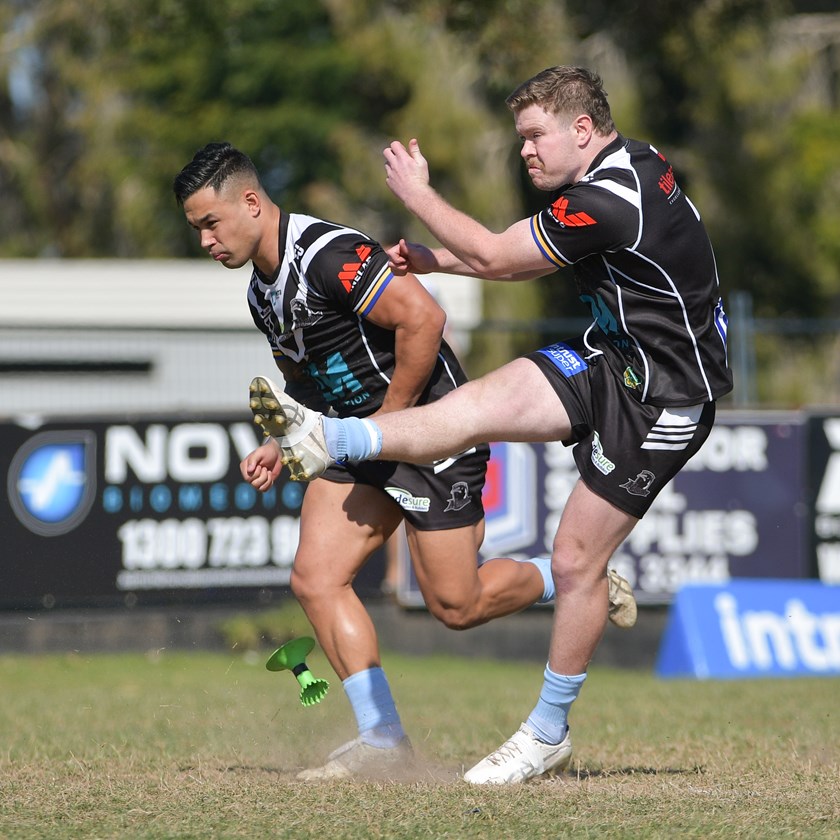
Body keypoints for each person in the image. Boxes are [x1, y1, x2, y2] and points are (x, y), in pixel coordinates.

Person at [246, 65, 733, 785]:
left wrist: (417, 197)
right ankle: (331, 438)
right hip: (610, 357)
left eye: (535, 136)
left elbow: (502, 254)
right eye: (520, 138)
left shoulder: (609, 199)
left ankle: (548, 734)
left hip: (664, 398)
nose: (525, 151)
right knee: (474, 410)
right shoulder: (624, 163)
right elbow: (518, 264)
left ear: (581, 128)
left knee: (573, 562)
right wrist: (438, 259)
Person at [172, 141, 637, 782]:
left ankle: (576, 582)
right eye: (197, 229)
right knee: (314, 577)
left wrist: (389, 427)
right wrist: (284, 444)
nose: (205, 241)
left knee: (456, 605)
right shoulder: (261, 292)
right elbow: (309, 381)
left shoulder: (328, 255)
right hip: (359, 439)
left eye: (209, 224)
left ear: (251, 203)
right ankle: (383, 737)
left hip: (433, 432)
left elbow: (424, 317)